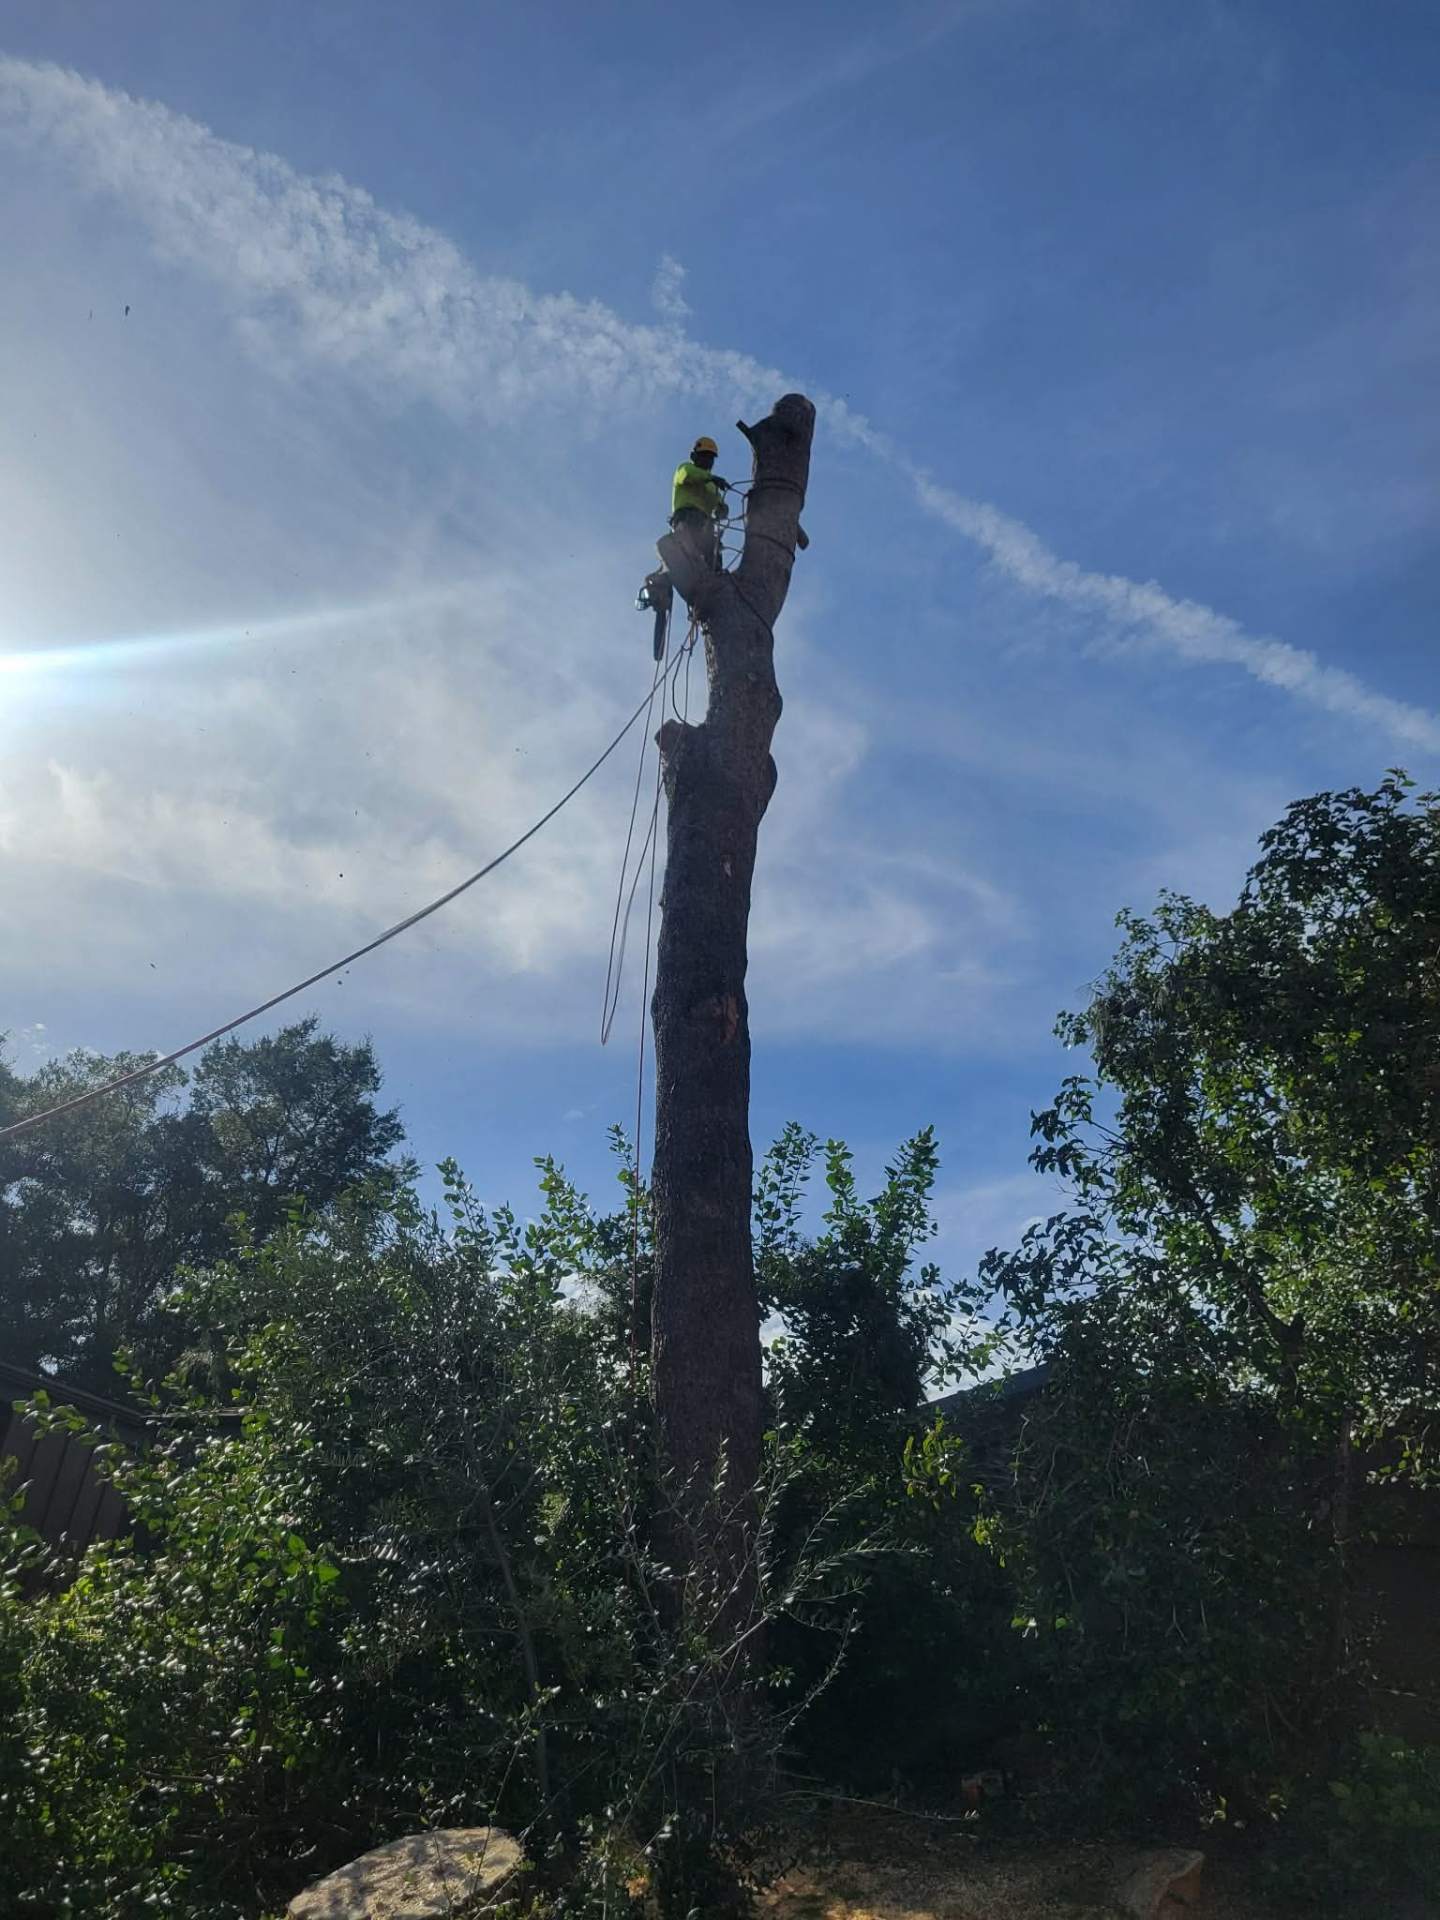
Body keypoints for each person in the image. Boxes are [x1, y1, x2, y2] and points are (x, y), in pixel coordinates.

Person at [670, 435, 729, 569]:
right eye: (704, 456)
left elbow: (718, 505)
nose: (707, 460)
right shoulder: (685, 469)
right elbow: (689, 475)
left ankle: (716, 575)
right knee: (701, 532)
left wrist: (722, 509)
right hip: (686, 519)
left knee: (714, 546)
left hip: (704, 525)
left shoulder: (712, 486)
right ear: (693, 456)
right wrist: (711, 478)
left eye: (710, 457)